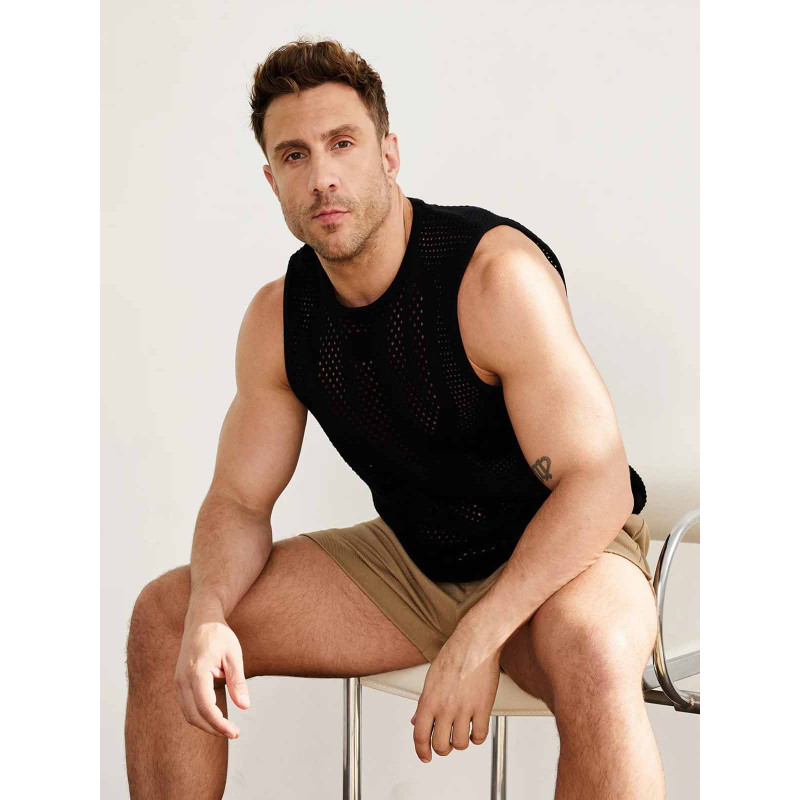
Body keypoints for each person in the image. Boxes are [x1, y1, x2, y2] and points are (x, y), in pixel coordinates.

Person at [124, 36, 666, 799]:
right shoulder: (279, 320)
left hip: (565, 555)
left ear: (389, 153)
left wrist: (480, 637)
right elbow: (239, 502)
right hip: (416, 560)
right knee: (167, 617)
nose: (323, 176)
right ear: (272, 179)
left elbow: (597, 486)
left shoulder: (493, 277)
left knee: (595, 652)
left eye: (342, 143)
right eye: (294, 155)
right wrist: (210, 613)